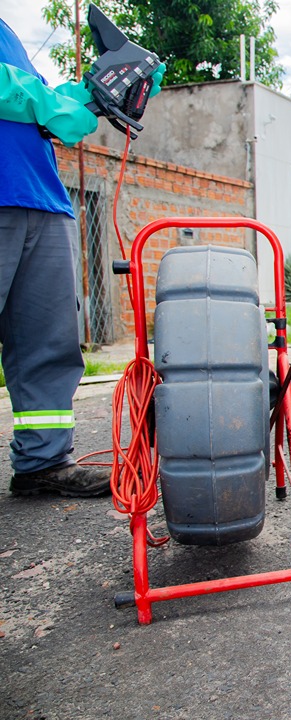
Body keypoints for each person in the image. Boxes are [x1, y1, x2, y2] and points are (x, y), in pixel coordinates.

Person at [0, 17, 163, 497]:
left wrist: (93, 93)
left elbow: (39, 104)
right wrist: (49, 103)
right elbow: (30, 99)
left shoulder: (8, 32)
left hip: (41, 197)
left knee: (47, 344)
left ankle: (43, 461)